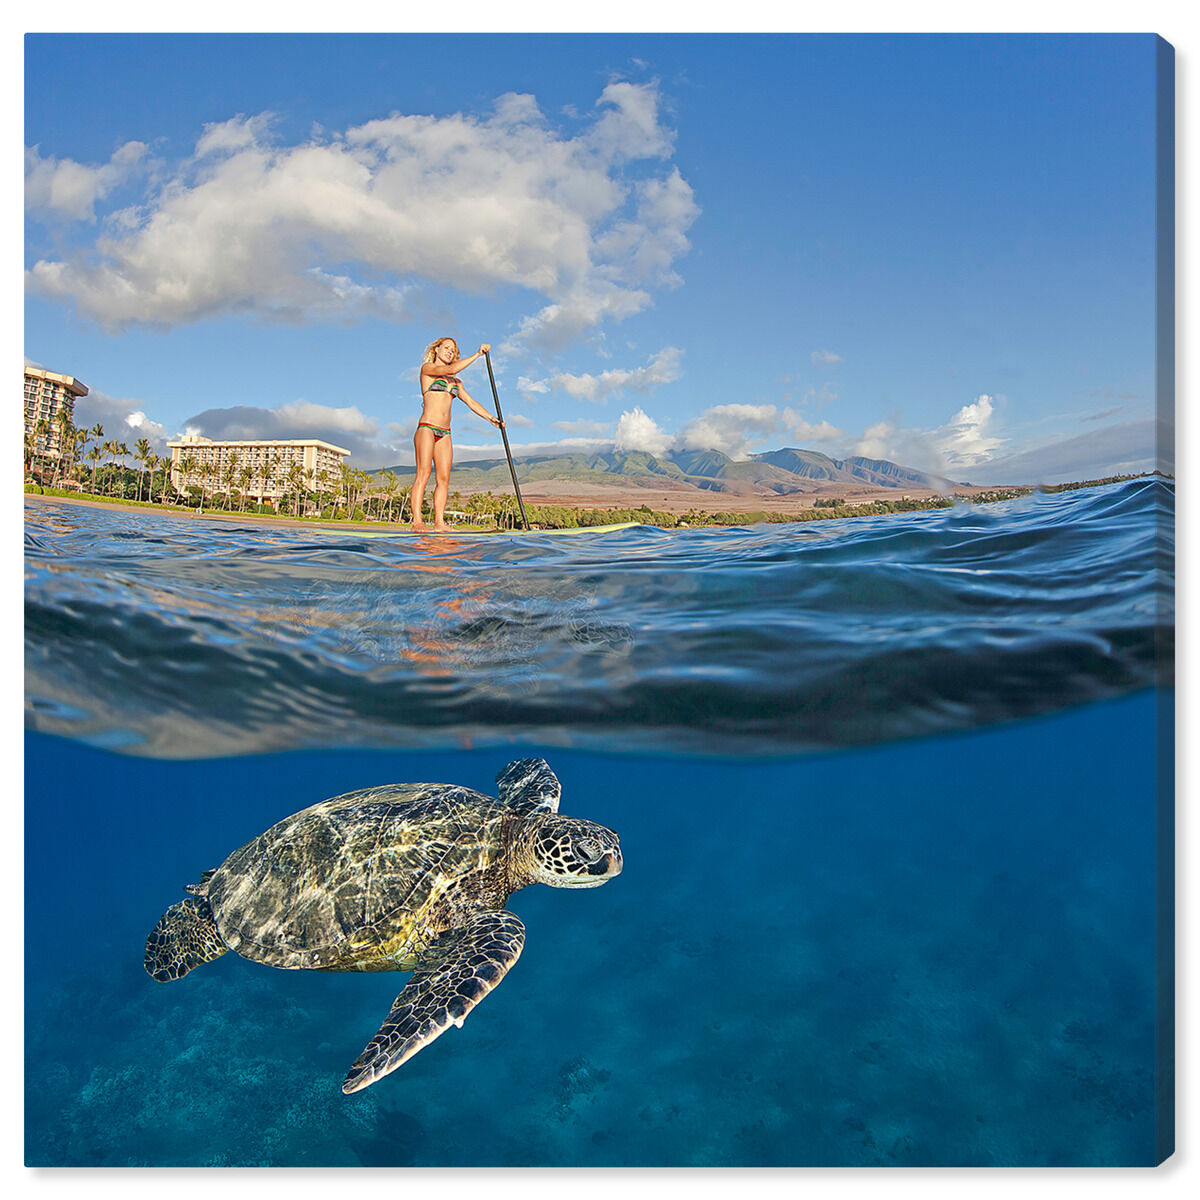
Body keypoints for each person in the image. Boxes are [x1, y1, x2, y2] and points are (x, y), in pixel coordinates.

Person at [412, 336, 504, 532]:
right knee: (423, 474)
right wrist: (478, 354)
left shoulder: (456, 382)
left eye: (452, 350)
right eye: (446, 348)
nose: (449, 352)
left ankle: (439, 522)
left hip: (445, 433)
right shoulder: (427, 369)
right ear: (436, 349)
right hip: (427, 428)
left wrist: (491, 418)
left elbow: (471, 402)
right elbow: (450, 369)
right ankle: (417, 522)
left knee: (443, 479)